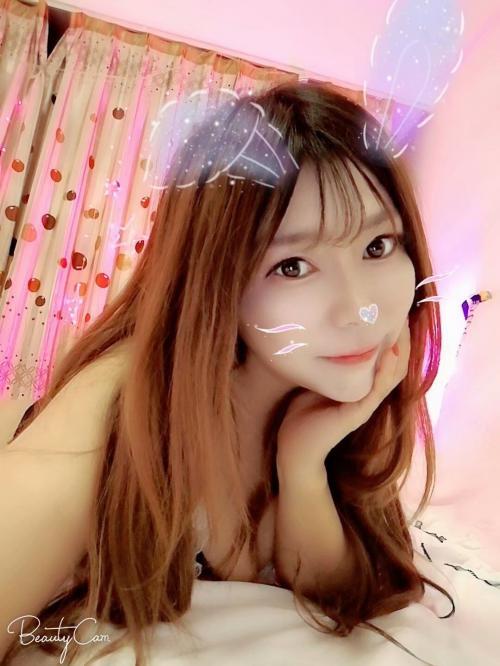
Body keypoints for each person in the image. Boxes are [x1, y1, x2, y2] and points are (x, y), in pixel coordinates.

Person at [0, 80, 453, 666]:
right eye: (293, 266)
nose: (359, 310)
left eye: (377, 246)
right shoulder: (122, 403)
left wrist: (303, 466)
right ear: (215, 278)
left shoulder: (342, 391)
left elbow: (340, 590)